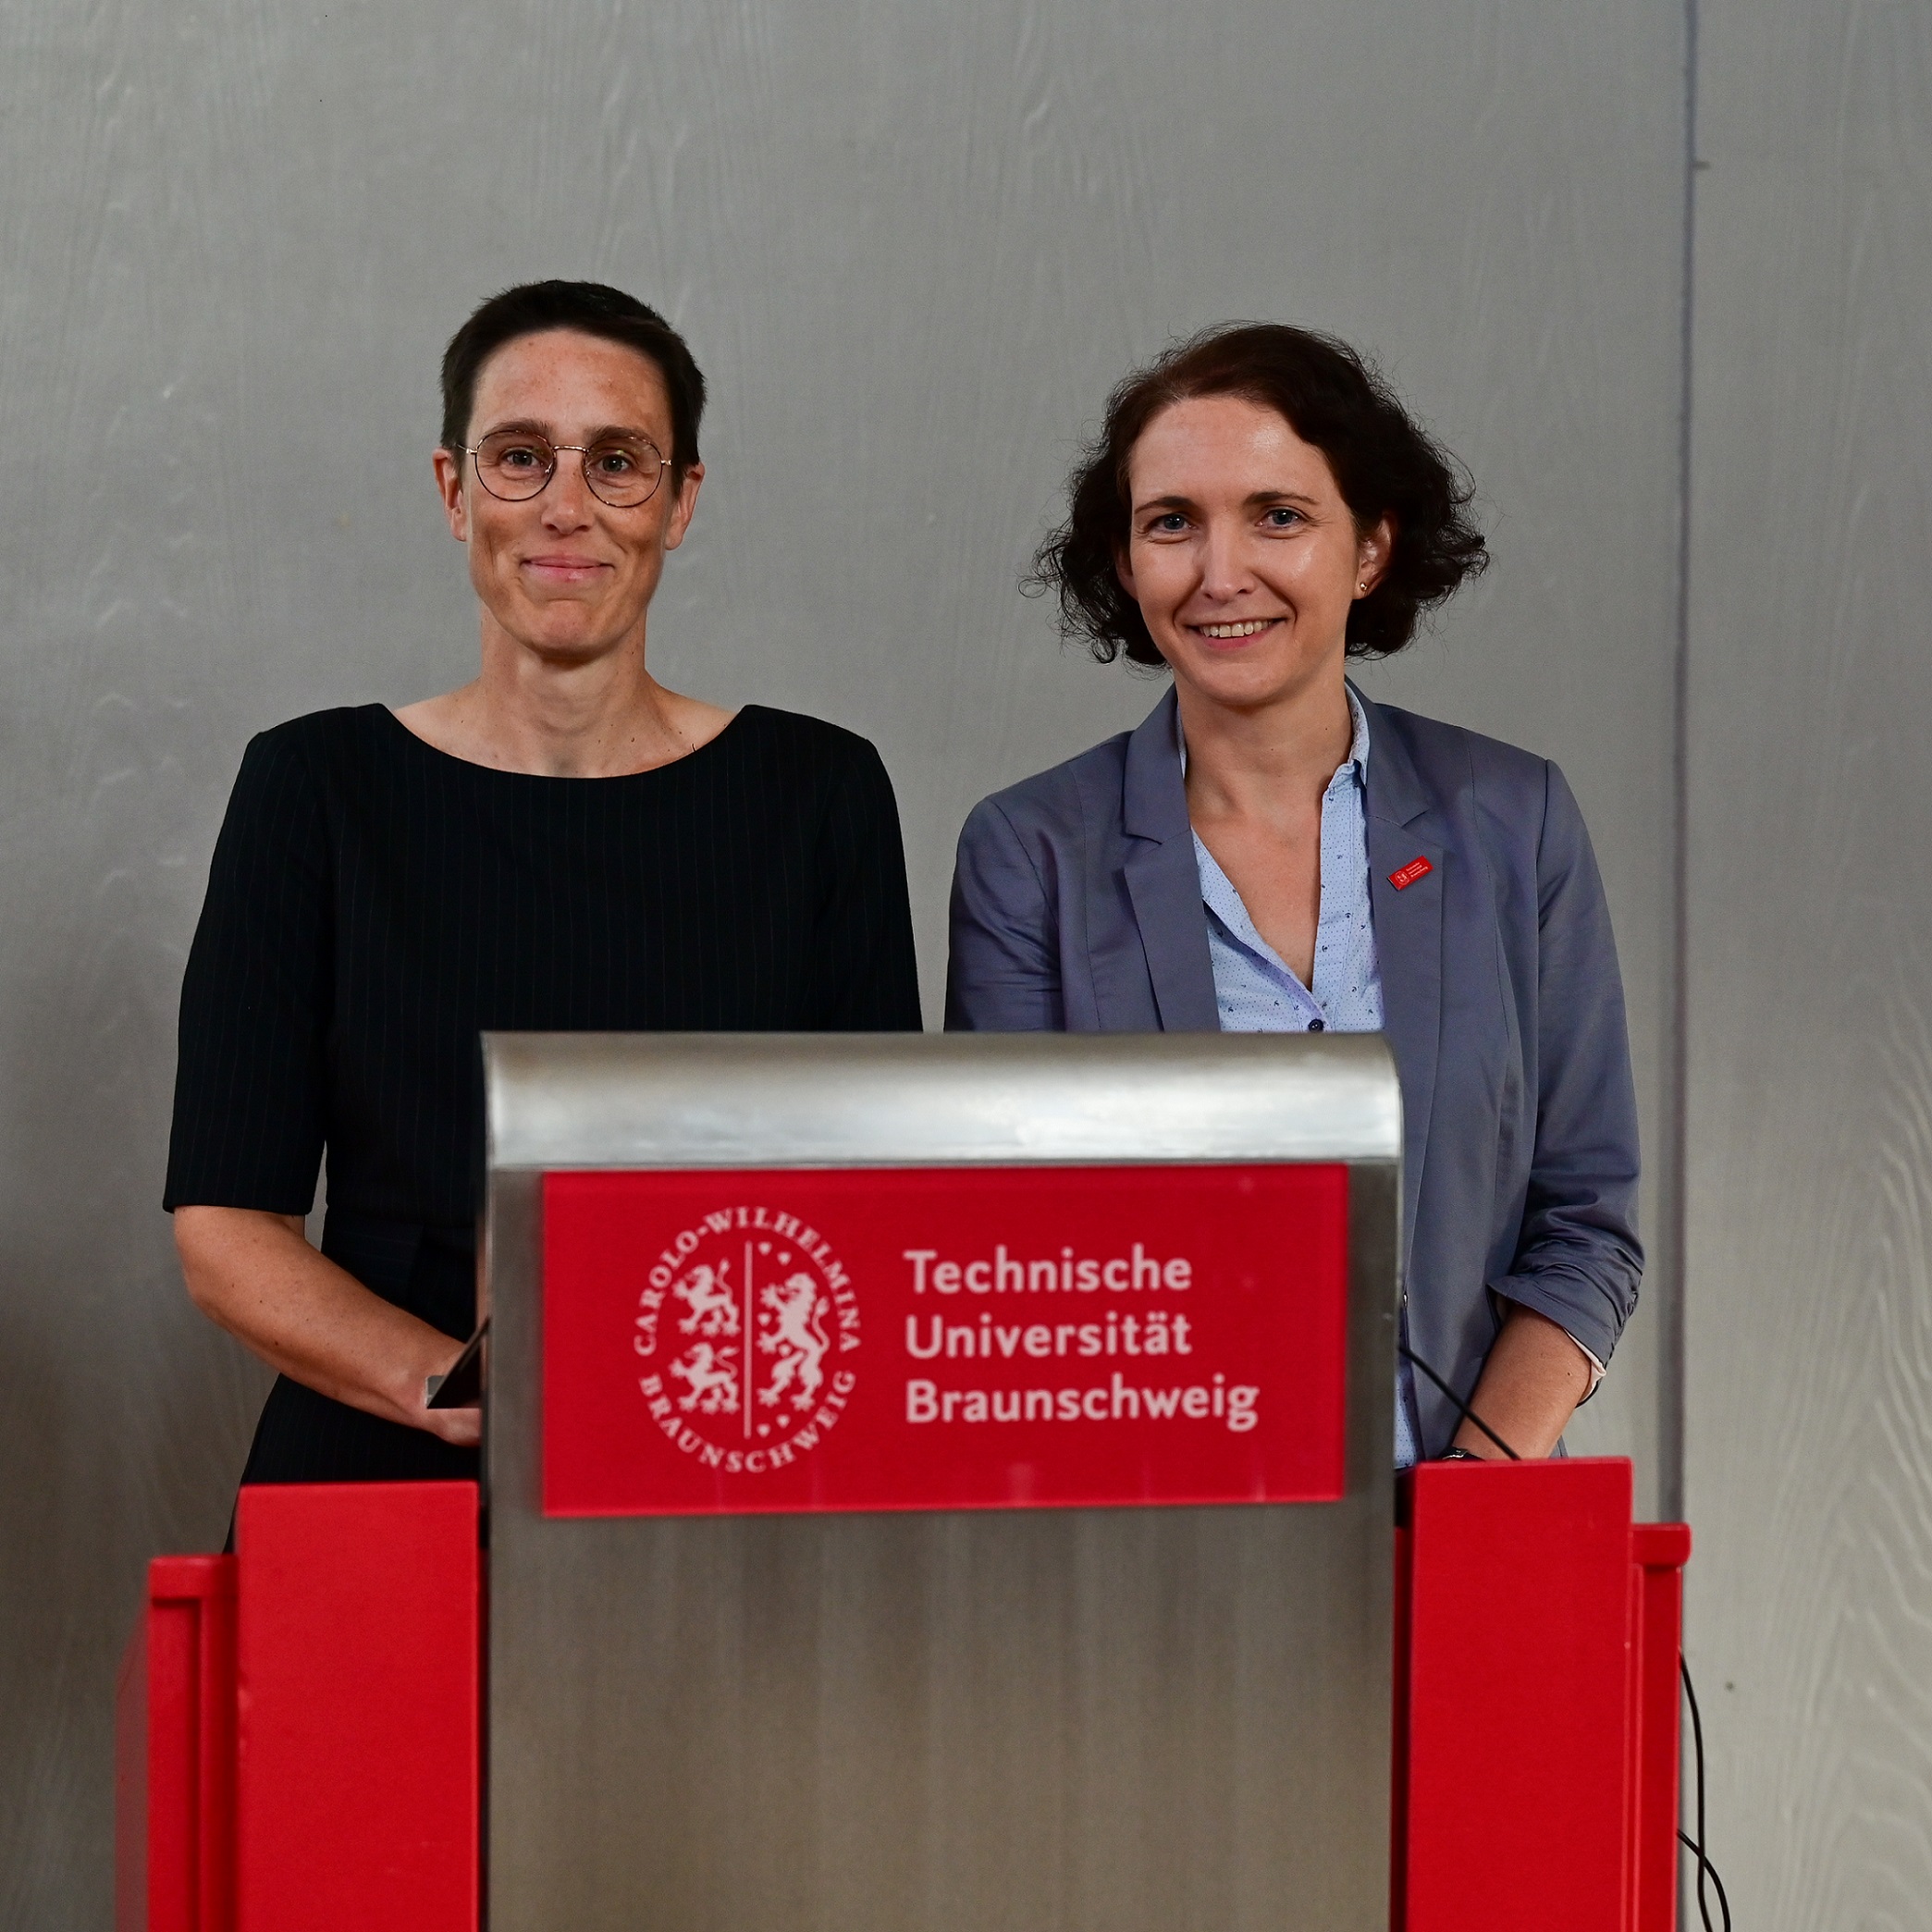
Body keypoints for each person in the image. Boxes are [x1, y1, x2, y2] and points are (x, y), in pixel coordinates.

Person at [166, 280, 921, 1490]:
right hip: (384, 1456)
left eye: (616, 462)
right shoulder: (313, 786)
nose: (567, 506)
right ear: (453, 489)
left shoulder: (819, 793)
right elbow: (225, 1229)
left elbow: (876, 1203)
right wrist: (468, 1393)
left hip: (722, 1451)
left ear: (680, 502)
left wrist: (677, 1397)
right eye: (521, 457)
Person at [946, 324, 1640, 1465]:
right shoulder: (1030, 853)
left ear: (1370, 548)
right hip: (1161, 1526)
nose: (1221, 573)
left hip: (1476, 1513)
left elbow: (1585, 1224)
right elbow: (1017, 1255)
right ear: (1124, 560)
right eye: (1172, 522)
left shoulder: (1514, 820)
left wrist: (1467, 1498)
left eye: (1277, 515)